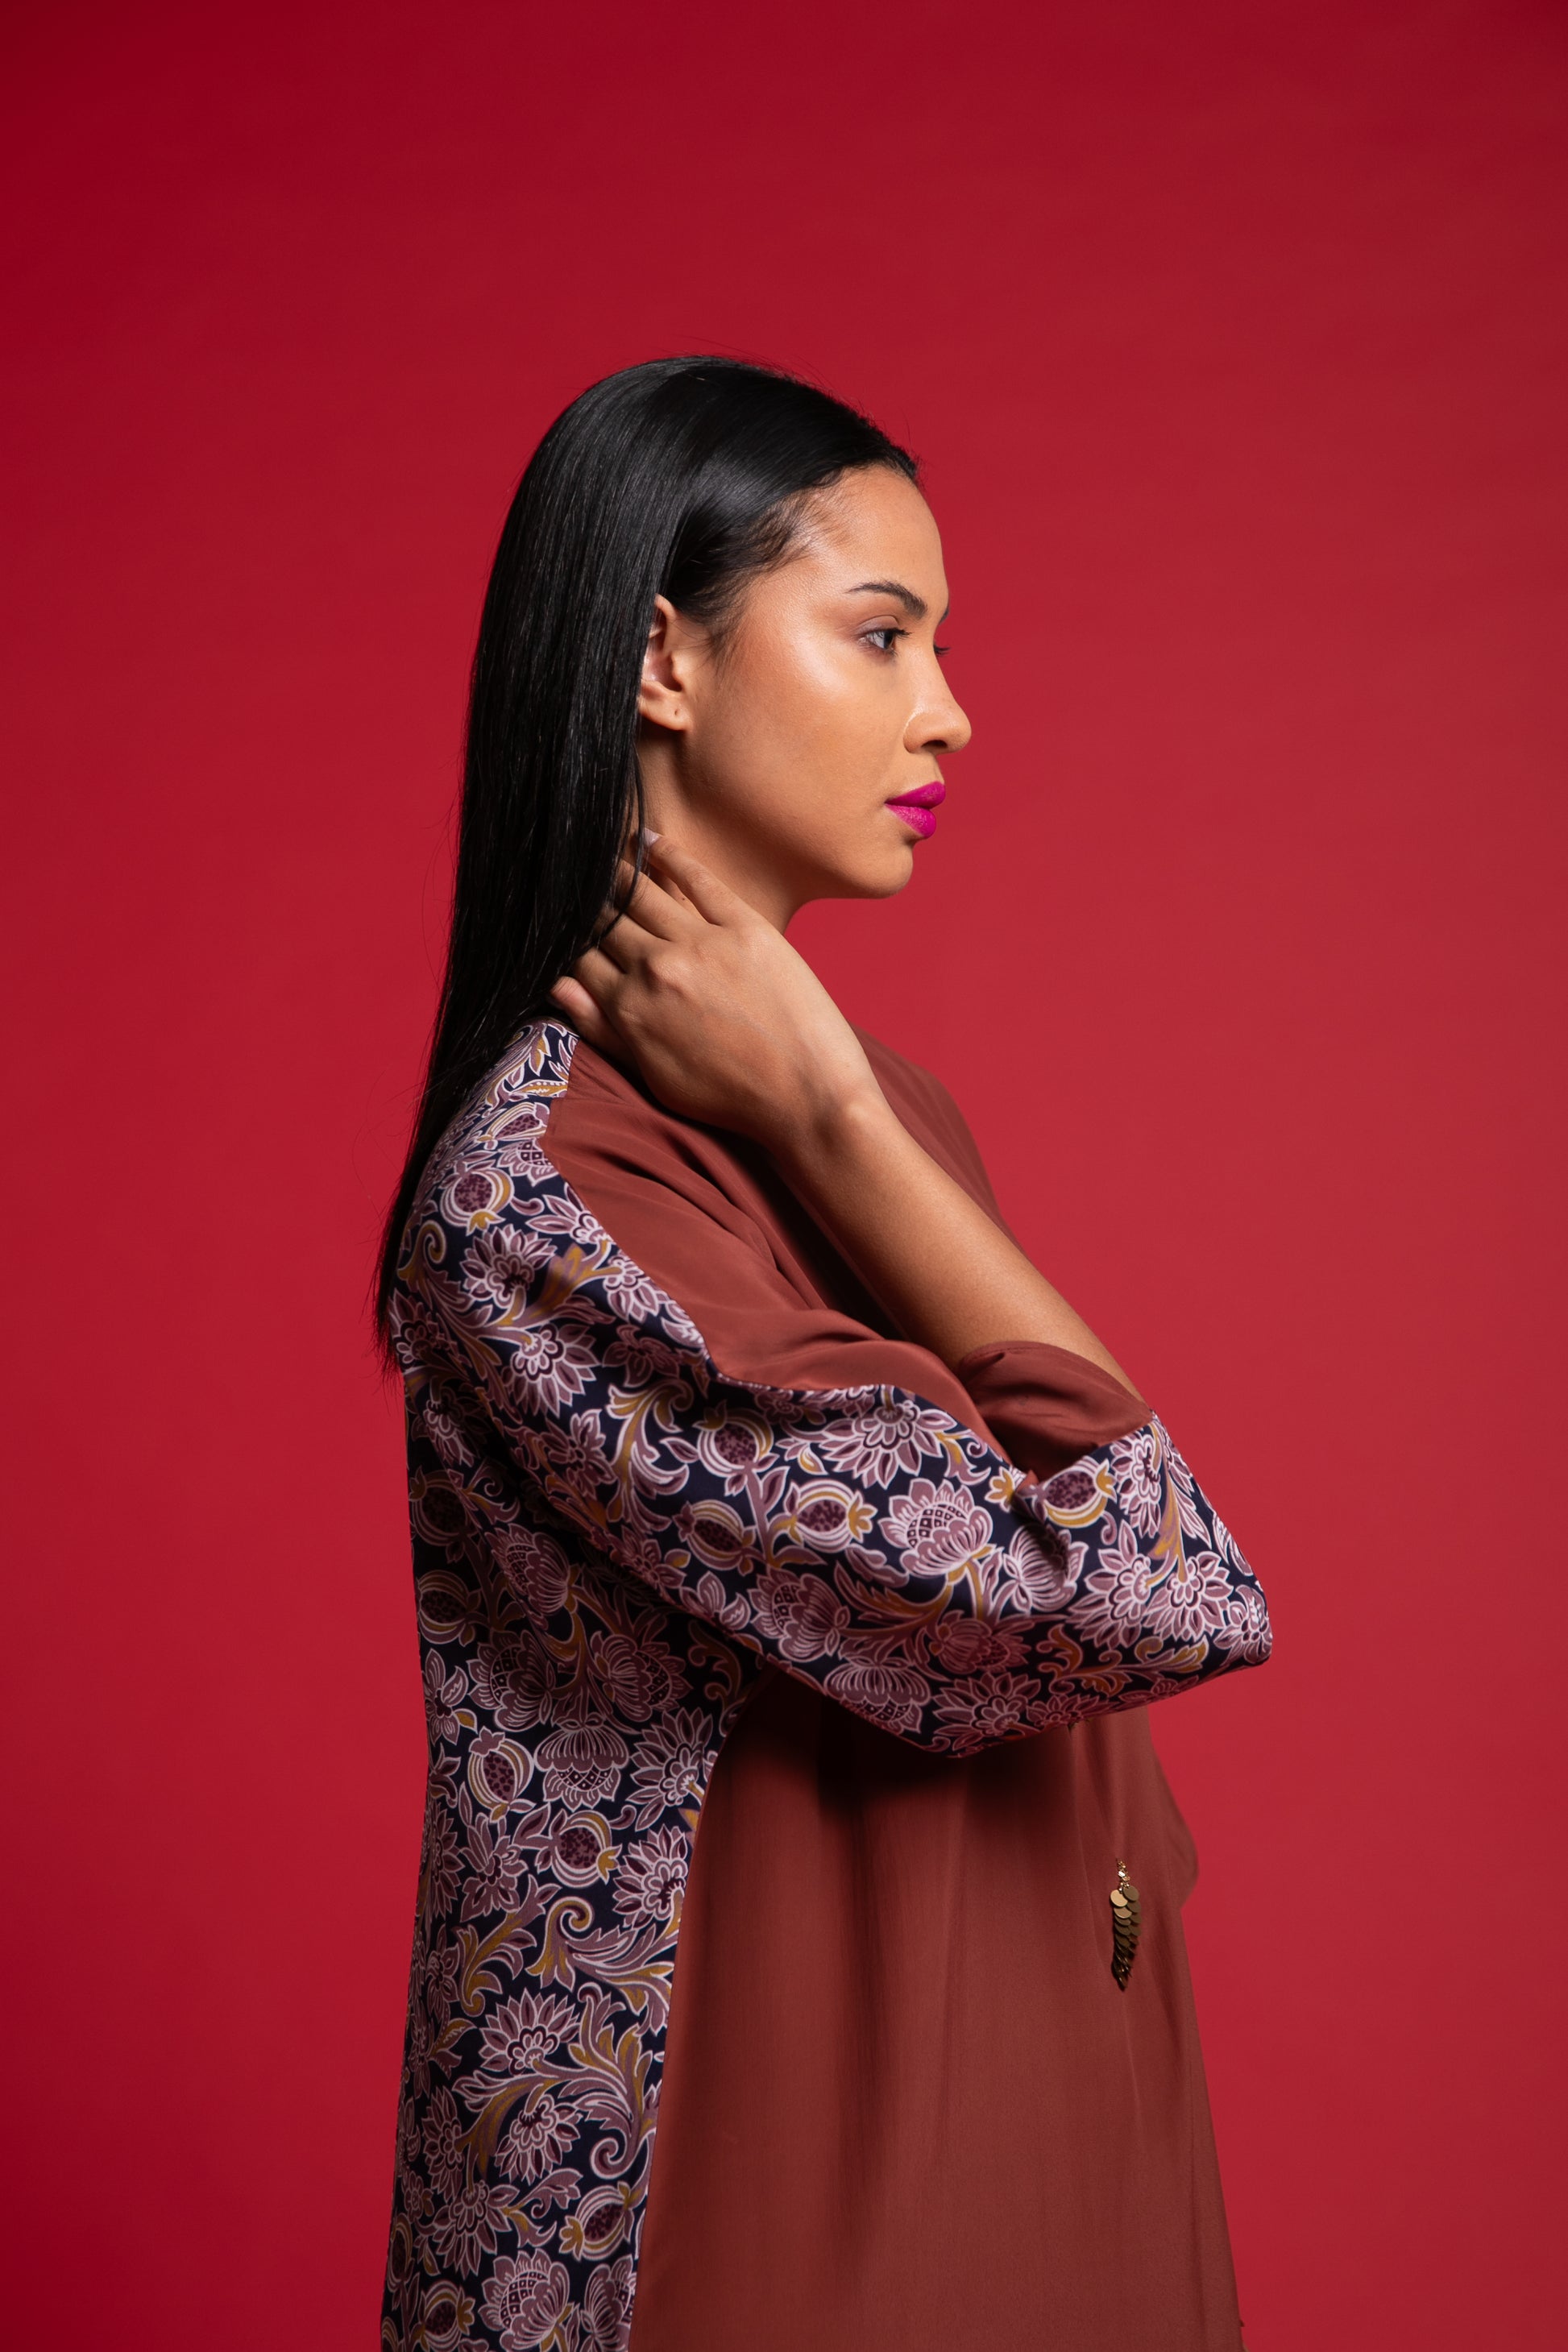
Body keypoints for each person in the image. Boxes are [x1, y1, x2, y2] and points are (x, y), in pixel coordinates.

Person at [375, 355, 1271, 2352]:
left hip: (1048, 2136)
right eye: (880, 634)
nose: (947, 710)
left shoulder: (871, 1118)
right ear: (663, 658)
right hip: (769, 2197)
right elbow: (1143, 1576)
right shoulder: (548, 1196)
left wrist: (845, 1115)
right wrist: (839, 1120)